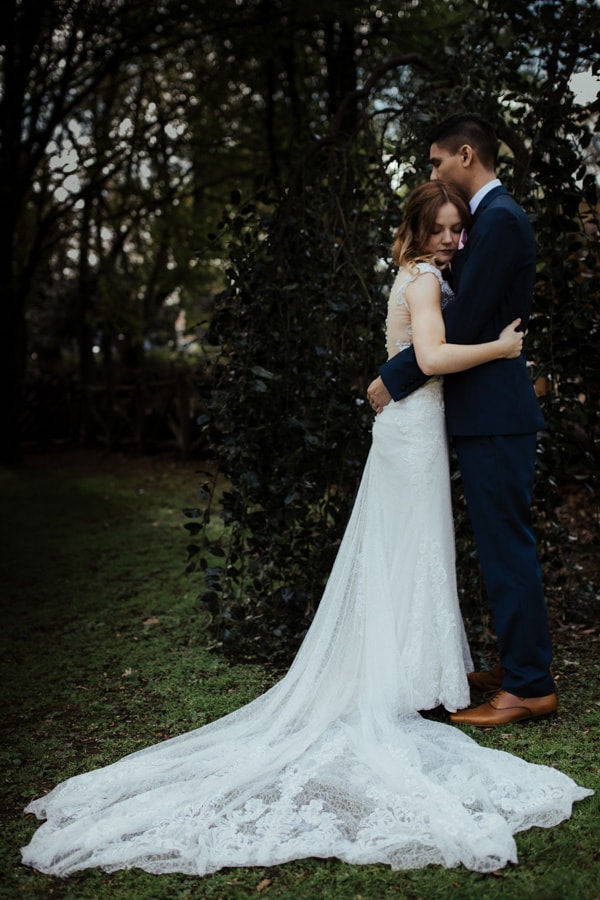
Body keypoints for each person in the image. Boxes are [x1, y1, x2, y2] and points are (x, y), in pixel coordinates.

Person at [21, 182, 591, 879]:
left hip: (416, 428)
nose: (451, 239)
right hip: (412, 431)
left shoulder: (433, 276)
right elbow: (434, 360)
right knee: (408, 550)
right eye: (439, 229)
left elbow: (418, 358)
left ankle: (416, 670)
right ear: (417, 231)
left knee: (413, 551)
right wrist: (502, 351)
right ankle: (407, 676)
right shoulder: (420, 280)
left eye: (456, 229)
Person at [368, 113, 557, 727]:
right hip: (482, 412)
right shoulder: (487, 222)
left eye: (435, 161)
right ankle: (519, 663)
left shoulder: (499, 220)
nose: (432, 171)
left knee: (507, 550)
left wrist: (391, 379)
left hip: (495, 414)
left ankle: (529, 684)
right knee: (501, 547)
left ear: (465, 155)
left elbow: (467, 320)